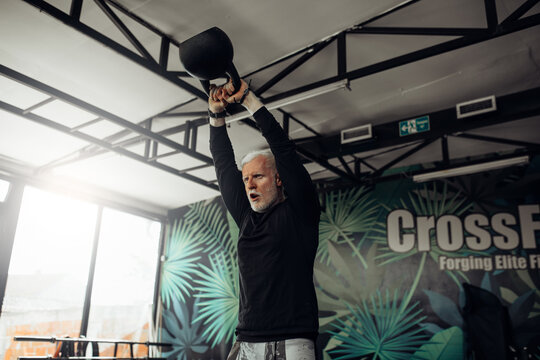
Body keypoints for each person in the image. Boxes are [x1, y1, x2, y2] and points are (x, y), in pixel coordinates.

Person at [208, 79, 320, 360]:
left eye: (257, 176)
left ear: (278, 178)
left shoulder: (300, 212)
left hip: (292, 340)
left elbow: (283, 150)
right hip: (246, 339)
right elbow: (223, 164)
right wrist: (215, 115)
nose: (249, 185)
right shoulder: (246, 217)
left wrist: (249, 101)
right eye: (246, 179)